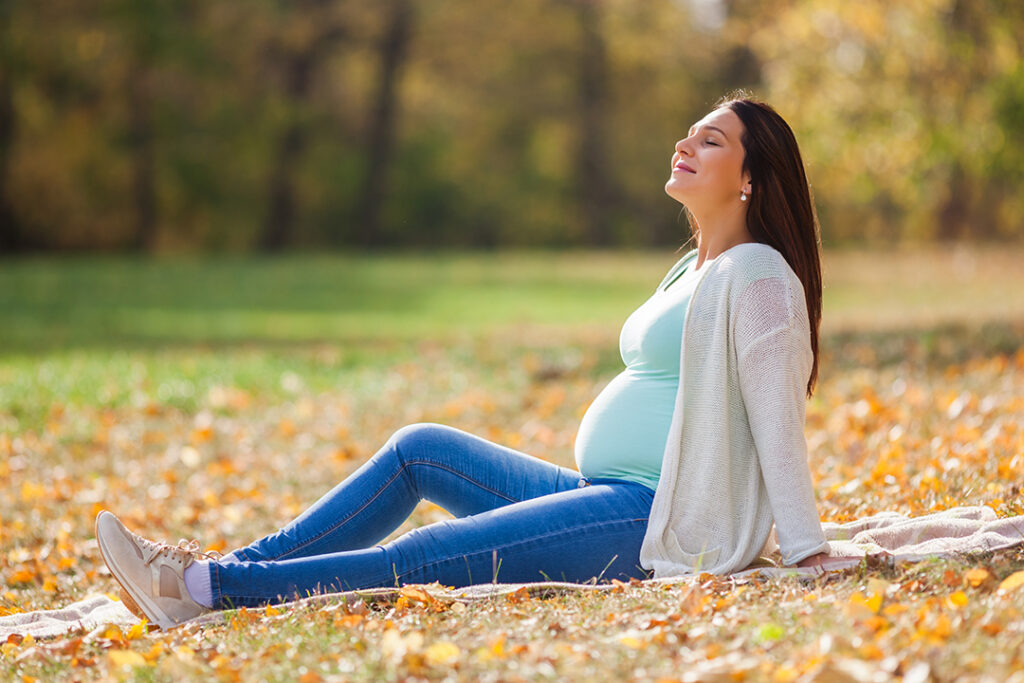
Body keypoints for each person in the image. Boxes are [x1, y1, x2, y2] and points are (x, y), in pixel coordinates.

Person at [95, 94, 832, 630]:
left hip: (651, 524)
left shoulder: (758, 275)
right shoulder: (691, 270)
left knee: (433, 553)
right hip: (602, 491)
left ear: (750, 180)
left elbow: (777, 416)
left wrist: (804, 549)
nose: (684, 144)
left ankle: (204, 586)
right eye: (689, 133)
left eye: (709, 141)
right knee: (421, 448)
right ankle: (231, 567)